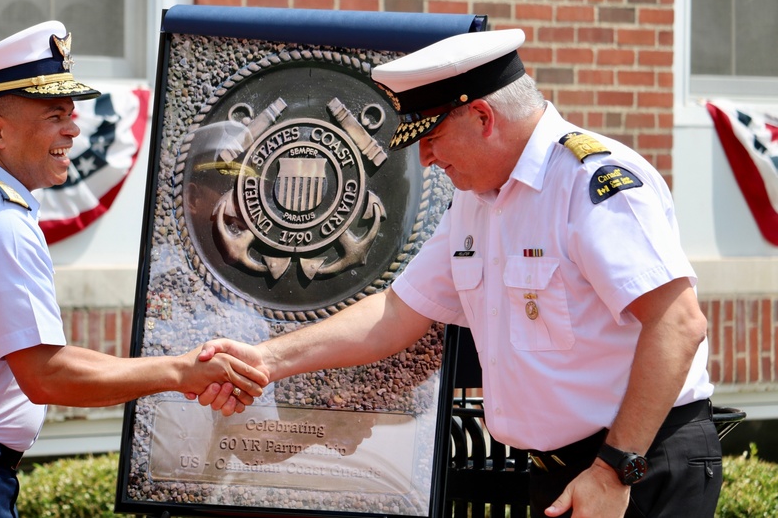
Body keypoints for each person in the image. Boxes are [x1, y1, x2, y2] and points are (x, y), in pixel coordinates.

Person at [192, 28, 721, 518]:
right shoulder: (477, 201)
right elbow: (397, 312)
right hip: (564, 474)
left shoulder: (592, 183)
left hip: (637, 467)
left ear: (484, 118)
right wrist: (264, 359)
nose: (425, 159)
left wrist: (613, 470)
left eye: (432, 136)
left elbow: (678, 324)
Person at [0, 21, 268, 518]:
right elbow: (46, 375)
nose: (74, 128)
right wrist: (181, 373)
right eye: (55, 115)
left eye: (71, 113)